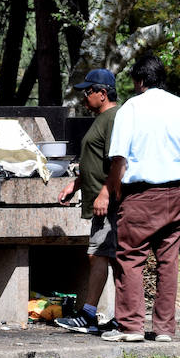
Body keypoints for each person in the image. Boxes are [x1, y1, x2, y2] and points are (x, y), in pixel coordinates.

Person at [102, 55, 180, 342]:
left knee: (130, 257)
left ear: (139, 81)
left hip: (141, 194)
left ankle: (132, 327)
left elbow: (119, 158)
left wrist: (114, 189)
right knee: (169, 260)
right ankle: (164, 329)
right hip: (178, 192)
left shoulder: (131, 108)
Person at [54, 68, 120, 336]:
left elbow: (117, 161)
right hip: (98, 199)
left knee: (99, 254)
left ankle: (90, 315)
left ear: (102, 94)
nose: (84, 97)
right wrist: (76, 184)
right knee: (100, 255)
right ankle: (101, 315)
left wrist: (105, 192)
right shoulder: (101, 118)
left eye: (88, 92)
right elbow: (94, 160)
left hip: (110, 201)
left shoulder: (113, 119)